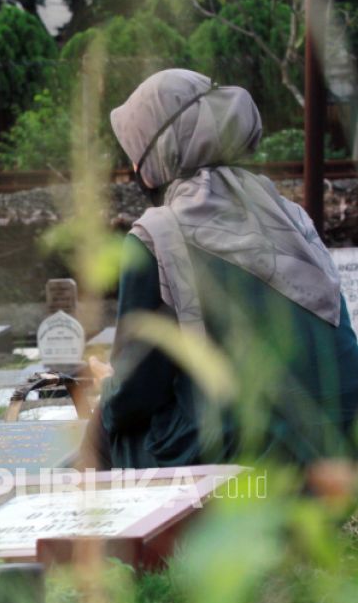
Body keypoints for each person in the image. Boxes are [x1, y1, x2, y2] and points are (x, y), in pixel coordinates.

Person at [90, 69, 358, 468]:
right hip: (342, 436)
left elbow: (137, 394)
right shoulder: (290, 215)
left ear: (159, 153)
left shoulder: (157, 235)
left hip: (259, 452)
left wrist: (107, 388)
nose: (132, 165)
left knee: (108, 428)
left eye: (135, 150)